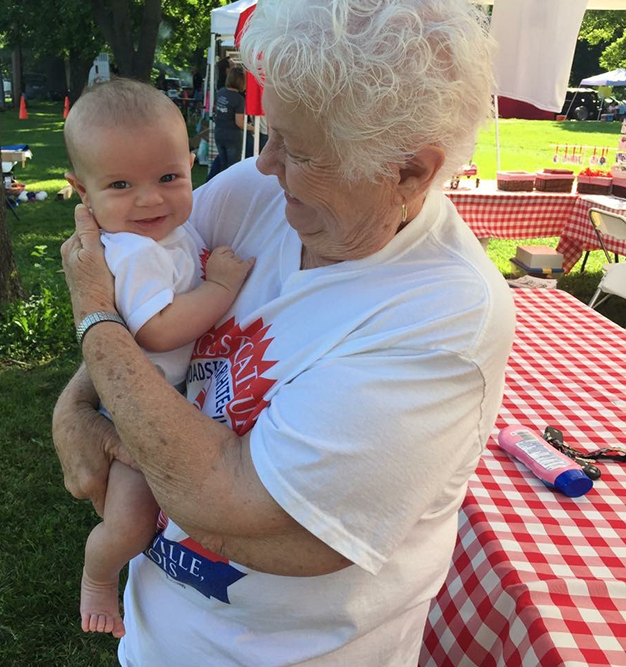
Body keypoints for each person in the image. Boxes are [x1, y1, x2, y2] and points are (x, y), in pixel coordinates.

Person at [54, 1, 516, 665]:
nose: (265, 163)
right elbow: (144, 301)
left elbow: (226, 498)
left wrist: (92, 320)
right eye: (271, 133)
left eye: (297, 149)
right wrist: (73, 406)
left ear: (411, 171)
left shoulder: (441, 316)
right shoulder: (258, 193)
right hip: (153, 638)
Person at [62, 78, 254, 639]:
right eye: (120, 184)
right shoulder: (136, 251)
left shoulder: (168, 230)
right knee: (129, 520)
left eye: (169, 177)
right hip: (138, 411)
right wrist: (219, 288)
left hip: (167, 399)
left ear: (191, 163)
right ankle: (98, 577)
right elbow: (158, 330)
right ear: (82, 190)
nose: (150, 199)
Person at [214, 66, 254, 172]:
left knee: (223, 166)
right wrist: (252, 128)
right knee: (232, 168)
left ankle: (221, 187)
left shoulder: (221, 92)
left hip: (219, 133)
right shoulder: (239, 99)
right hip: (232, 136)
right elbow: (239, 123)